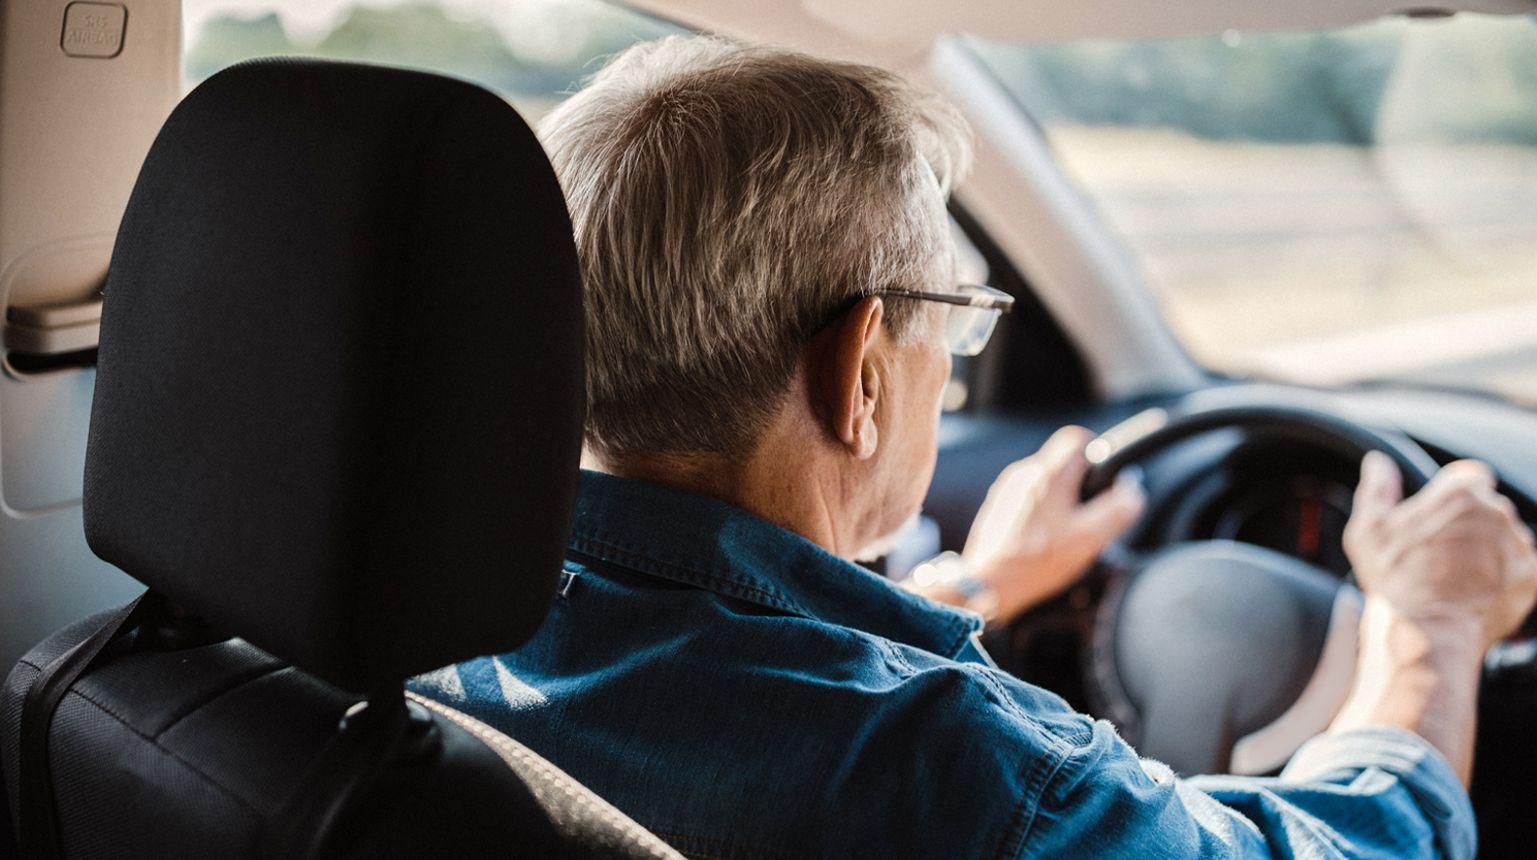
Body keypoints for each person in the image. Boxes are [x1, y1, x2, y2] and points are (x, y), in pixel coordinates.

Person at [411, 36, 1537, 858]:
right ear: (860, 374)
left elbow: (703, 654)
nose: (946, 365)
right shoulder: (962, 776)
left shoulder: (412, 629)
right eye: (949, 323)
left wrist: (977, 586)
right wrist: (1428, 627)